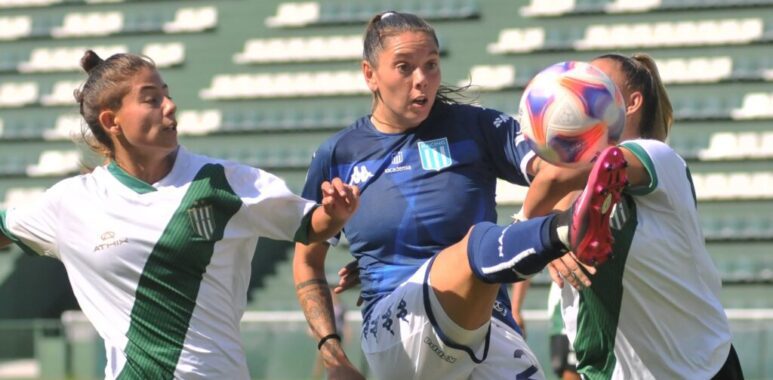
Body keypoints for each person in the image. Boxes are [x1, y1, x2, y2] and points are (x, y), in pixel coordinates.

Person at [293, 11, 628, 380]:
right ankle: (562, 232)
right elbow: (307, 261)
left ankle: (559, 231)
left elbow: (557, 168)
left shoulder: (475, 127)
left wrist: (590, 166)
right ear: (370, 74)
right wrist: (333, 356)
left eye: (431, 65)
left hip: (488, 327)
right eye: (404, 67)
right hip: (396, 329)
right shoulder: (339, 154)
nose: (421, 80)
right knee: (479, 240)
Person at [0, 50, 360, 379]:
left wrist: (334, 212)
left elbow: (310, 226)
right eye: (151, 100)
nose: (170, 106)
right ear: (112, 121)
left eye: (167, 94)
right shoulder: (71, 203)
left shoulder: (224, 182)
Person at [522, 53, 744, 379]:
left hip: (701, 366)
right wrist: (544, 232)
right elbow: (557, 181)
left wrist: (528, 227)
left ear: (632, 103)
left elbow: (569, 174)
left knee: (605, 168)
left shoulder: (659, 156)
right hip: (615, 372)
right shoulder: (569, 194)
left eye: (597, 86)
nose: (581, 93)